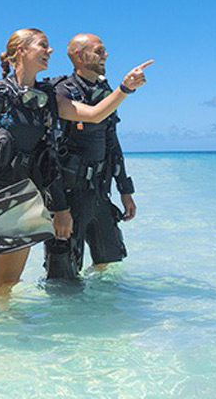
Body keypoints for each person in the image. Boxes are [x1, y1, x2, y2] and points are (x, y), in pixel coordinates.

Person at [0, 28, 152, 307]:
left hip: (24, 200)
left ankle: (0, 341)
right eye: (43, 46)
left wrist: (125, 88)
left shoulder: (47, 96)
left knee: (8, 285)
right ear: (21, 51)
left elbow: (94, 115)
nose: (50, 51)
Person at [45, 34, 138, 280]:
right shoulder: (62, 91)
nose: (105, 55)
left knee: (110, 269)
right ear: (78, 56)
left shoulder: (103, 91)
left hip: (99, 193)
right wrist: (59, 209)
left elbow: (112, 143)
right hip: (70, 197)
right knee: (63, 278)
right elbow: (49, 155)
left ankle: (102, 317)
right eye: (99, 51)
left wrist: (125, 190)